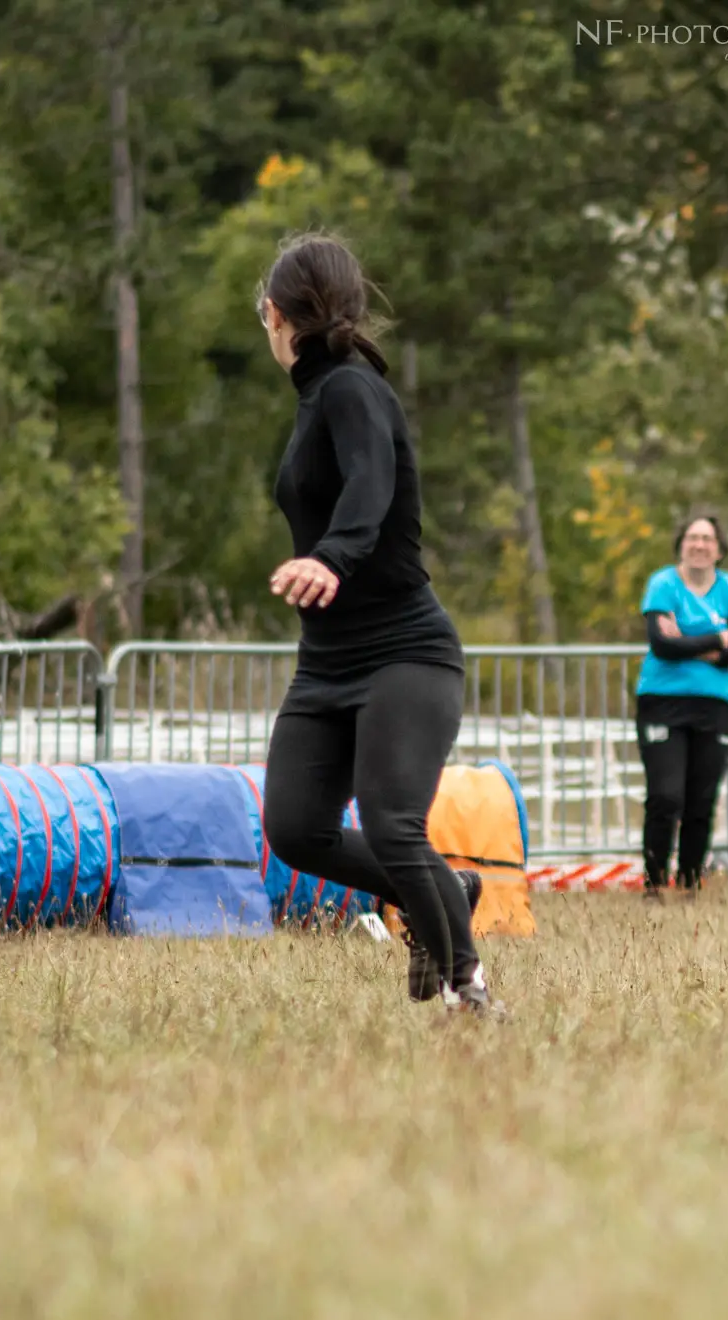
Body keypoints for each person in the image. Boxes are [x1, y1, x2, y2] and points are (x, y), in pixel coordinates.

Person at [252, 233, 499, 1014]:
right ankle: (446, 891)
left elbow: (373, 483)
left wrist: (333, 554)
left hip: (406, 652)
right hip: (326, 664)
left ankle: (470, 990)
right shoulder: (314, 401)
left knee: (395, 826)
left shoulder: (352, 390)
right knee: (295, 829)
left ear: (273, 316)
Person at [635, 514, 728, 896]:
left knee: (702, 799)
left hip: (713, 705)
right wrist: (715, 638)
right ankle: (654, 883)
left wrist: (688, 639)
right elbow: (661, 646)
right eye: (692, 537)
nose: (699, 544)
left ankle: (689, 884)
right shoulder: (663, 583)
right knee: (666, 796)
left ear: (719, 549)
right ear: (681, 544)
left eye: (707, 538)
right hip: (662, 701)